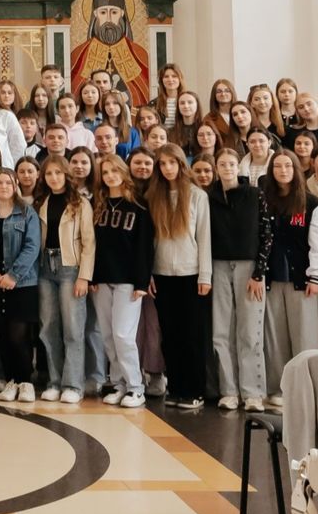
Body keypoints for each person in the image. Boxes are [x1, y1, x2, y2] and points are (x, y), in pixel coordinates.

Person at [261, 148, 318, 408]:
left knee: (305, 337)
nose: (283, 171)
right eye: (277, 166)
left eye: (288, 166)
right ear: (271, 171)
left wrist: (316, 277)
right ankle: (278, 388)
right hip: (272, 278)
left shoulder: (311, 203)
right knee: (275, 337)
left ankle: (305, 388)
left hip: (303, 279)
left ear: (296, 169)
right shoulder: (264, 200)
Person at [147, 148, 211, 410]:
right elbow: (149, 241)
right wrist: (148, 273)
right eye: (162, 164)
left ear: (181, 164)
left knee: (191, 335)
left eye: (172, 162)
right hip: (162, 274)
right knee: (170, 334)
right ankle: (175, 387)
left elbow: (204, 237)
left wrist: (205, 274)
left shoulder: (197, 195)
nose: (167, 168)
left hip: (191, 273)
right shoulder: (154, 196)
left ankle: (194, 390)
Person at [90, 153, 153, 408]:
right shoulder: (99, 205)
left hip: (128, 280)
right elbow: (93, 245)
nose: (110, 176)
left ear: (123, 172)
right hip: (102, 279)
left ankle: (136, 387)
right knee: (107, 335)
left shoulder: (139, 206)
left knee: (123, 335)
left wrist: (141, 282)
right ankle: (119, 384)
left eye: (114, 171)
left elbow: (145, 247)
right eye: (105, 173)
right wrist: (92, 276)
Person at [207, 148, 266, 412]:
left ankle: (253, 393)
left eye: (232, 164)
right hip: (218, 265)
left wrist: (259, 272)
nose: (228, 168)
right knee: (221, 331)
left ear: (238, 167)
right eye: (222, 164)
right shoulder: (208, 197)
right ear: (216, 168)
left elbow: (267, 233)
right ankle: (229, 390)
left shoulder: (255, 194)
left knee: (249, 331)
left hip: (248, 267)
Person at [35, 153, 94, 404]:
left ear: (66, 175)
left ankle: (73, 385)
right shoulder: (42, 202)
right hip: (45, 269)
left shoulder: (80, 203)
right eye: (49, 173)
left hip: (70, 268)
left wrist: (84, 277)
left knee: (72, 329)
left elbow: (89, 243)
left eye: (58, 173)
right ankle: (55, 382)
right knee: (48, 328)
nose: (54, 177)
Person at [0, 169, 41, 403]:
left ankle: (25, 381)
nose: (4, 186)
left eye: (8, 182)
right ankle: (10, 381)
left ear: (15, 185)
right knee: (1, 334)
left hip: (22, 284)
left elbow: (32, 246)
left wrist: (14, 275)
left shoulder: (27, 213)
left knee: (19, 335)